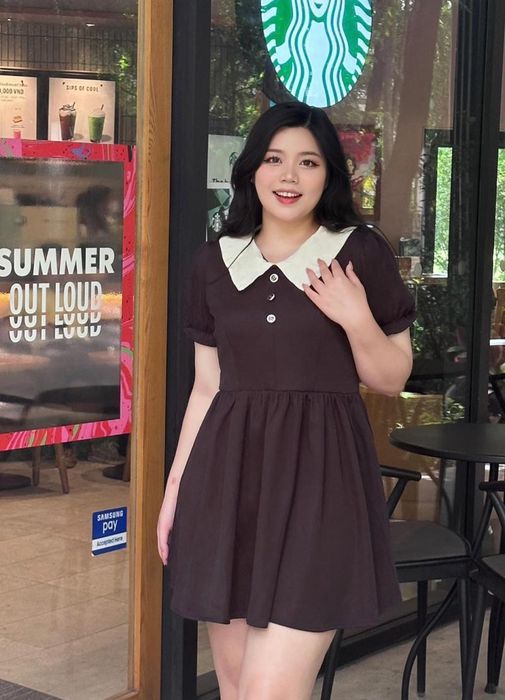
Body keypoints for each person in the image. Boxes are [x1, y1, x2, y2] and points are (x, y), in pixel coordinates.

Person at [157, 101, 416, 700]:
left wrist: (356, 318)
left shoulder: (359, 251)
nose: (289, 176)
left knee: (268, 691)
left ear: (330, 175)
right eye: (274, 160)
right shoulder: (215, 262)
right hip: (227, 485)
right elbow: (206, 387)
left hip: (322, 485)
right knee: (234, 686)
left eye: (309, 162)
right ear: (251, 169)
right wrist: (175, 492)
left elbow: (391, 377)